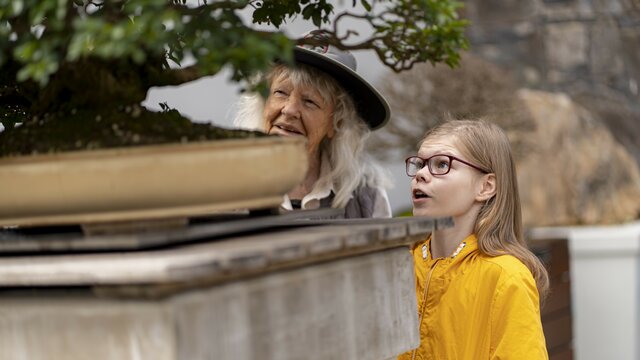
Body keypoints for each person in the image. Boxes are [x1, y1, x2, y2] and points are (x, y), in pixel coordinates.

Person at [398, 119, 549, 360]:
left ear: (486, 186)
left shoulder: (506, 278)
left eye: (441, 164)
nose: (422, 175)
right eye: (420, 164)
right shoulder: (401, 265)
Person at [233, 30, 392, 218]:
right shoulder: (225, 184)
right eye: (281, 93)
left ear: (337, 123)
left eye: (310, 102)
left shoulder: (366, 198)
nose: (289, 110)